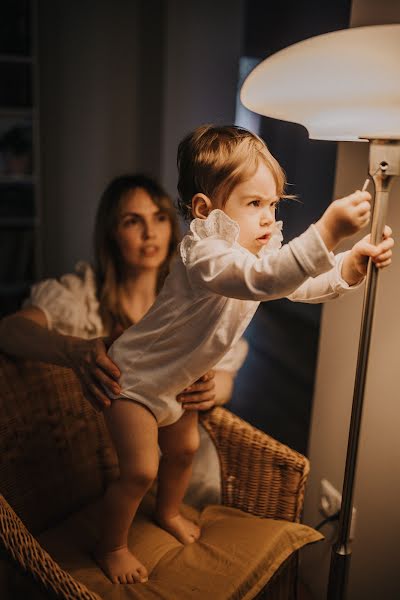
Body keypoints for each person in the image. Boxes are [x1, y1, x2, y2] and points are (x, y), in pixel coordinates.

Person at [96, 124, 394, 584]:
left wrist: (348, 266)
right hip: (132, 379)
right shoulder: (207, 256)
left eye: (273, 204)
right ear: (206, 210)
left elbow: (292, 283)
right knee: (139, 470)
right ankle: (112, 545)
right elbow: (265, 279)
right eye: (254, 204)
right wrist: (326, 232)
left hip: (176, 385)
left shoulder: (255, 256)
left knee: (185, 451)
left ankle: (168, 512)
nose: (268, 218)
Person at [0, 173, 245, 508]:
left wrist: (214, 389)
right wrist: (74, 351)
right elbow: (10, 331)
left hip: (177, 461)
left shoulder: (194, 295)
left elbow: (227, 371)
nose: (150, 233)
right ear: (113, 232)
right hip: (100, 462)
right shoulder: (82, 295)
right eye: (133, 221)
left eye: (159, 217)